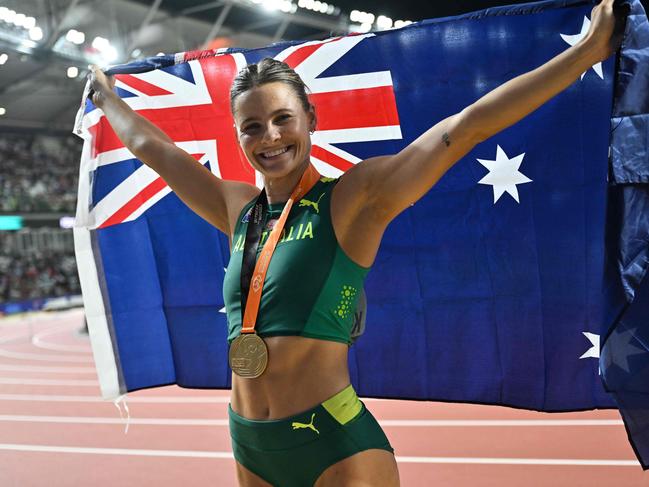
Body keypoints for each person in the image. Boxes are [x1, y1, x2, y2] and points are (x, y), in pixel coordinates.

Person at [89, 1, 622, 485]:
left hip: (334, 444)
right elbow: (156, 151)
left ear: (310, 121)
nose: (270, 137)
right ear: (239, 137)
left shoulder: (356, 198)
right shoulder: (238, 210)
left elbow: (466, 128)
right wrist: (107, 100)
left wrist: (584, 54)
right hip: (249, 441)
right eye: (252, 127)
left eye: (282, 119)